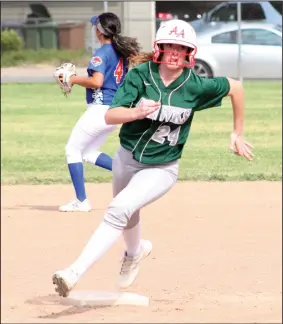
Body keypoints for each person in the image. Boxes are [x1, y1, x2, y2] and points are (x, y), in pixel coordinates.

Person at [52, 19, 254, 297]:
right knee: (128, 213)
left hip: (162, 167)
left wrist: (237, 132)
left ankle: (73, 272)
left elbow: (236, 88)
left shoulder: (195, 85)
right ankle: (135, 252)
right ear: (159, 47)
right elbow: (111, 115)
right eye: (169, 45)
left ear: (190, 53)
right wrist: (137, 112)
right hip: (126, 158)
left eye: (181, 47)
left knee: (118, 209)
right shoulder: (141, 76)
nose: (174, 52)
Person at [58, 12, 140, 212]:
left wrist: (73, 79)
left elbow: (97, 82)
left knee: (72, 150)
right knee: (87, 152)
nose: (94, 29)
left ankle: (81, 201)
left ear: (99, 31)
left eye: (95, 26)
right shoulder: (120, 52)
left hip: (100, 110)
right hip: (113, 110)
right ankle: (132, 178)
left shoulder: (101, 53)